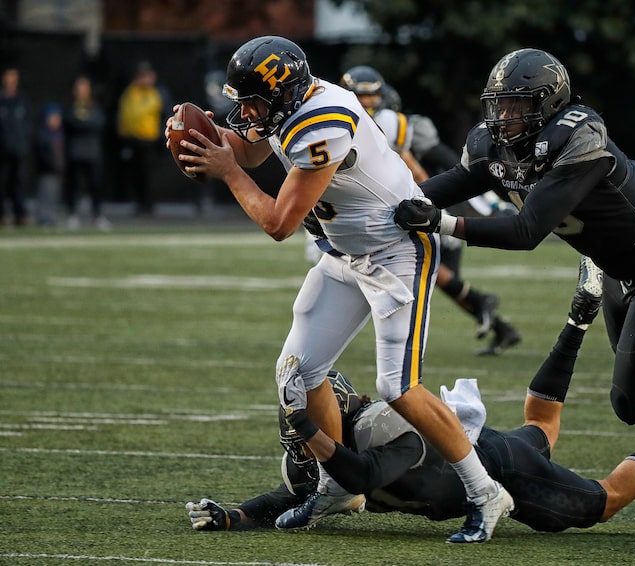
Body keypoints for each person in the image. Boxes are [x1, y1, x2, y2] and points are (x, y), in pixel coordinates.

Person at [393, 48, 635, 539]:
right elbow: (455, 181)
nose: (505, 117)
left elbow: (527, 230)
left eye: (518, 106)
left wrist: (443, 224)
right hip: (618, 266)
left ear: (551, 102)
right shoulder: (496, 144)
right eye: (500, 105)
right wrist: (399, 203)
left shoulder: (578, 136)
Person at [166, 36, 512, 544]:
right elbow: (247, 143)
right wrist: (205, 136)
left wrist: (229, 172)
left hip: (398, 250)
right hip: (347, 253)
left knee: (399, 387)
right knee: (300, 371)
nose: (244, 111)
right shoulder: (289, 106)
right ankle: (337, 486)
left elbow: (280, 222)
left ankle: (486, 494)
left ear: (283, 94)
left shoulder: (323, 120)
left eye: (252, 100)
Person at [185, 265, 635, 537]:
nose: (301, 441)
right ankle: (577, 319)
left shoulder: (384, 426)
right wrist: (232, 516)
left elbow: (358, 476)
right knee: (542, 426)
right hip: (478, 457)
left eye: (309, 422)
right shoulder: (325, 450)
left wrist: (313, 433)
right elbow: (293, 493)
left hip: (497, 467)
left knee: (596, 505)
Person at [340, 66, 521, 355]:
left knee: (429, 272)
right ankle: (499, 325)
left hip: (424, 205)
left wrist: (427, 200)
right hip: (409, 205)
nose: (368, 103)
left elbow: (451, 167)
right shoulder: (348, 124)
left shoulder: (398, 124)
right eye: (363, 97)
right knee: (436, 275)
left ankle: (483, 306)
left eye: (372, 96)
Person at [117, 61, 163, 216]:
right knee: (136, 174)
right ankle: (139, 203)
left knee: (149, 174)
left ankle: (150, 203)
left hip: (150, 140)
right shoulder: (130, 93)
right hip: (133, 139)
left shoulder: (157, 93)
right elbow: (125, 115)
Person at [64, 75, 110, 231]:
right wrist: (83, 123)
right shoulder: (71, 107)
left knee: (95, 185)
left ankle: (97, 215)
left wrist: (83, 123)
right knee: (75, 185)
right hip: (75, 152)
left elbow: (98, 123)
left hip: (92, 152)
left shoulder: (94, 106)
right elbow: (70, 122)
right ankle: (73, 214)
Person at [0, 66, 30, 227]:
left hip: (19, 150)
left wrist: (23, 144)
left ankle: (21, 215)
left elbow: (26, 126)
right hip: (2, 151)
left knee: (18, 184)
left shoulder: (22, 100)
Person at [33, 104, 65, 228]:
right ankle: (43, 218)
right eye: (52, 117)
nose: (55, 120)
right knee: (45, 194)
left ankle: (51, 218)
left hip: (57, 171)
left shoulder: (60, 134)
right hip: (47, 171)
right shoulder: (43, 134)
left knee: (54, 195)